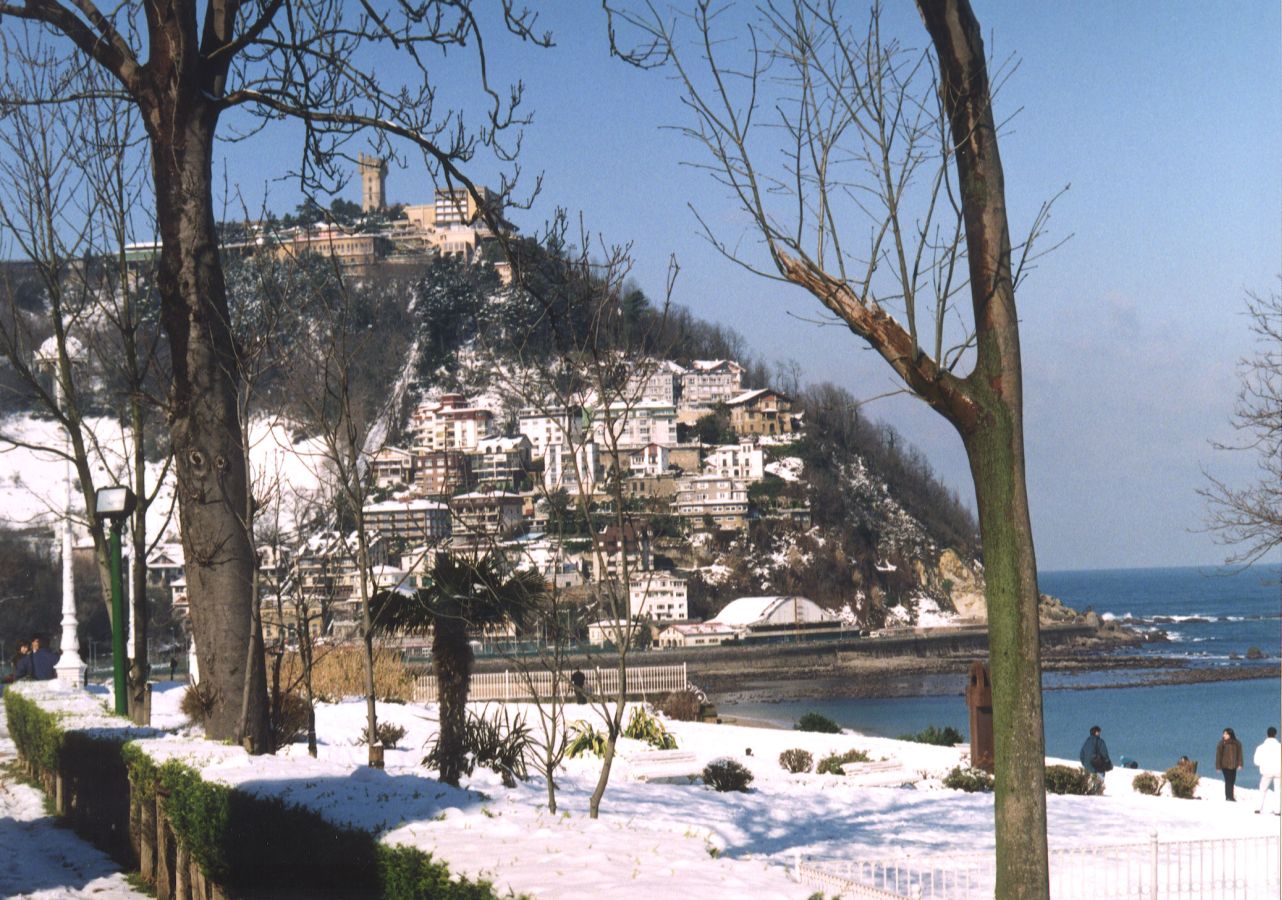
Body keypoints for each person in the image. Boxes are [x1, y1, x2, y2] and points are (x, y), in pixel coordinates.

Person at [1253, 726, 1281, 815]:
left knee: (1262, 790)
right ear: (1276, 735)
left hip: (1266, 771)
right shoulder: (1280, 746)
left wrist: (1263, 764)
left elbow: (1256, 761)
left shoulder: (1261, 747)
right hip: (1279, 771)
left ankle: (1258, 808)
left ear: (1267, 734)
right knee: (1278, 791)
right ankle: (1278, 810)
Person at [1215, 727, 1244, 801]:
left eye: (1225, 734)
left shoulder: (1237, 743)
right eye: (1223, 734)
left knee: (1232, 780)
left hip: (1234, 765)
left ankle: (1231, 796)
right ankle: (1228, 797)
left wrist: (1240, 764)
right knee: (1228, 780)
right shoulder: (1221, 743)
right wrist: (1218, 767)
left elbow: (1240, 754)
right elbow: (1218, 755)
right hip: (1225, 765)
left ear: (1230, 734)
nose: (1223, 735)